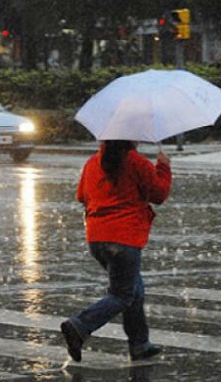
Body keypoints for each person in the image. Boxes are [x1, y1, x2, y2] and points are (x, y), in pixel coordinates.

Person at [61, 140, 172, 362]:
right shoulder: (136, 162)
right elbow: (159, 195)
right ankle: (81, 325)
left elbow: (81, 196)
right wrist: (163, 167)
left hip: (97, 238)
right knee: (122, 294)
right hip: (124, 238)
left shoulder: (93, 163)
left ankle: (140, 344)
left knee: (134, 290)